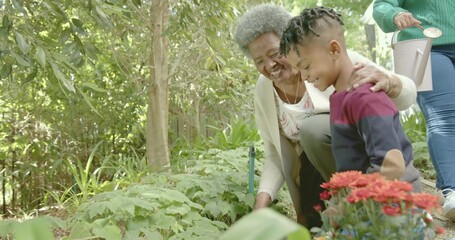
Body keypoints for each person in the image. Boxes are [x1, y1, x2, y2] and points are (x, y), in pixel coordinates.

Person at [233, 4, 417, 228]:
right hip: (330, 172)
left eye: (274, 53)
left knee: (312, 130)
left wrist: (390, 82)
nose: (269, 65)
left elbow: (406, 98)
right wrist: (260, 206)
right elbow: (275, 154)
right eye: (259, 60)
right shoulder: (265, 90)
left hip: (378, 171)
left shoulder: (344, 69)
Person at [280, 6, 421, 191]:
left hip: (395, 201)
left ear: (333, 50)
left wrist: (356, 201)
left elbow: (390, 165)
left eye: (305, 66)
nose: (304, 76)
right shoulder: (339, 98)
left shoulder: (366, 98)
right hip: (368, 196)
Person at [373, 0, 455, 219]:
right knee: (444, 116)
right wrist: (394, 14)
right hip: (422, 45)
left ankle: (446, 182)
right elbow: (381, 6)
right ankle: (452, 190)